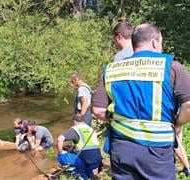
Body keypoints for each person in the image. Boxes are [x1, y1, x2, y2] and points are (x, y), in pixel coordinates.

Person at [92, 23, 190, 179]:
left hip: (122, 148)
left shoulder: (112, 69)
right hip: (158, 152)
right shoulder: (173, 67)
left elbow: (97, 110)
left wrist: (114, 118)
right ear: (154, 42)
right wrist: (177, 123)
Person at [57, 114, 102, 179]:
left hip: (87, 162)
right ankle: (89, 174)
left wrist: (60, 152)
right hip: (97, 162)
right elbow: (83, 144)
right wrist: (71, 149)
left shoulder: (76, 128)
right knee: (85, 156)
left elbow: (59, 139)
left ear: (74, 122)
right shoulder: (90, 129)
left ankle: (80, 176)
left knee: (61, 157)